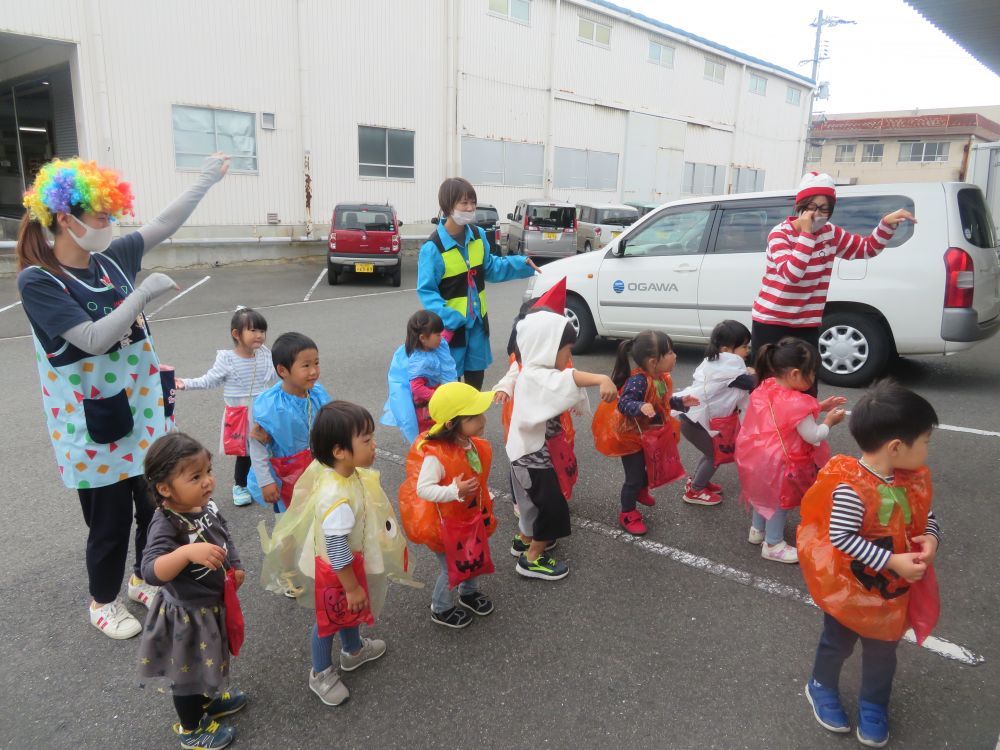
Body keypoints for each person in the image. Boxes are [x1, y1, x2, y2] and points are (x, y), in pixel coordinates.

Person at [16, 153, 229, 639]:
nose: (110, 225)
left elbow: (164, 222)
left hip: (141, 413)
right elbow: (92, 338)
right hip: (92, 428)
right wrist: (144, 293)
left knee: (154, 507)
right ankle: (103, 601)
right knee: (108, 524)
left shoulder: (110, 259)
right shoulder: (40, 280)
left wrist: (204, 180)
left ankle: (143, 578)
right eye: (101, 217)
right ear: (66, 220)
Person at [798, 381, 940, 748]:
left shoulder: (910, 480)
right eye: (925, 441)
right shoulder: (852, 488)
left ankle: (874, 703)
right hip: (852, 591)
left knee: (883, 653)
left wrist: (932, 538)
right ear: (896, 447)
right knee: (837, 643)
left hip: (891, 595)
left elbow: (927, 517)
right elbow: (842, 538)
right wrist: (892, 560)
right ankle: (821, 685)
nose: (928, 449)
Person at [750, 172, 915, 394]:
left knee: (806, 386)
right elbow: (792, 274)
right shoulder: (780, 234)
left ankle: (803, 428)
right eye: (810, 206)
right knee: (768, 386)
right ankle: (764, 429)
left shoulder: (830, 233)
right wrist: (807, 234)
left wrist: (885, 225)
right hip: (771, 321)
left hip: (806, 323)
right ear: (799, 206)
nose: (816, 213)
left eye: (823, 208)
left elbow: (866, 248)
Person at [138, 432, 248, 750]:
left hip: (212, 605)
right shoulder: (166, 523)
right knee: (187, 673)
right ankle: (191, 728)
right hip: (186, 615)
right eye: (195, 476)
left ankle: (208, 701)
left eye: (208, 471)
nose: (207, 482)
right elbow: (151, 571)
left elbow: (223, 534)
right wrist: (185, 554)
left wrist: (235, 566)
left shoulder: (204, 506)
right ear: (165, 489)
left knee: (210, 660)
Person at [507, 309, 617, 580]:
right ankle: (531, 559)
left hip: (527, 453)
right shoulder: (535, 375)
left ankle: (525, 539)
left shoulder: (534, 371)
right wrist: (603, 378)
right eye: (566, 350)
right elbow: (570, 378)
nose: (569, 357)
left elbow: (567, 376)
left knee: (532, 502)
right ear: (545, 348)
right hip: (531, 457)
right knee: (553, 508)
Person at [416, 177, 539, 389]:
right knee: (451, 393)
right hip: (450, 331)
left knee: (474, 390)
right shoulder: (432, 248)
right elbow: (427, 291)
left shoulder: (478, 235)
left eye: (473, 202)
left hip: (478, 327)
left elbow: (491, 267)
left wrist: (522, 263)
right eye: (464, 203)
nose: (470, 208)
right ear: (447, 206)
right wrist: (450, 317)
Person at [735, 338, 847, 564]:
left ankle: (757, 531)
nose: (814, 377)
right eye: (812, 373)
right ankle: (773, 544)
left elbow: (783, 416)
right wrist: (830, 421)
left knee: (761, 495)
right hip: (781, 462)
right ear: (795, 374)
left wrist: (819, 406)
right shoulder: (798, 403)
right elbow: (813, 435)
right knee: (779, 502)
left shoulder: (766, 387)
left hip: (757, 455)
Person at [399, 382, 497, 629]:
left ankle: (468, 593)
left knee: (473, 555)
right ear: (453, 423)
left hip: (469, 517)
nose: (483, 420)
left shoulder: (468, 441)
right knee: (451, 566)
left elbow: (475, 473)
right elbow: (423, 489)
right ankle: (440, 608)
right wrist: (454, 491)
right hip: (446, 524)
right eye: (475, 417)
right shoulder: (436, 455)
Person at [593, 331, 697, 535]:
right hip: (630, 439)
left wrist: (679, 402)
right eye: (669, 352)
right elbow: (624, 403)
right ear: (653, 361)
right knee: (633, 477)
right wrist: (639, 406)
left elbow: (662, 402)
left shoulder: (660, 378)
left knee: (649, 468)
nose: (675, 356)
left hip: (647, 436)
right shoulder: (639, 381)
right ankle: (628, 512)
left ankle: (641, 489)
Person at [176, 307, 276, 507]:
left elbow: (279, 374)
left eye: (262, 331)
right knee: (245, 453)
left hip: (264, 411)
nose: (259, 335)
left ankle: (265, 480)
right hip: (240, 416)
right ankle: (240, 485)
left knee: (267, 447)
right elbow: (209, 380)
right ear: (236, 334)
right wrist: (185, 383)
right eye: (253, 331)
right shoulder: (227, 359)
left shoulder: (265, 354)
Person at [247, 332, 330, 515]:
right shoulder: (269, 406)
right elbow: (257, 445)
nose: (314, 371)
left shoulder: (317, 394)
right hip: (286, 475)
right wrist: (265, 481)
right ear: (283, 370)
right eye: (306, 366)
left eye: (316, 363)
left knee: (325, 515)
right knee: (292, 521)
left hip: (321, 468)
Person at [675, 320, 756, 506]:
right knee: (715, 455)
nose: (747, 351)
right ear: (727, 350)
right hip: (696, 422)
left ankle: (697, 481)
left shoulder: (716, 362)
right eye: (744, 347)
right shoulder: (728, 370)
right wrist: (757, 373)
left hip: (693, 418)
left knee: (710, 452)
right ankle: (696, 490)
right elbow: (752, 383)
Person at [382, 310, 458, 442]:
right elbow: (416, 387)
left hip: (432, 404)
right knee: (430, 439)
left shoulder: (430, 348)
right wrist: (437, 396)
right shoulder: (420, 362)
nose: (441, 338)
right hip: (426, 410)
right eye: (438, 335)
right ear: (423, 338)